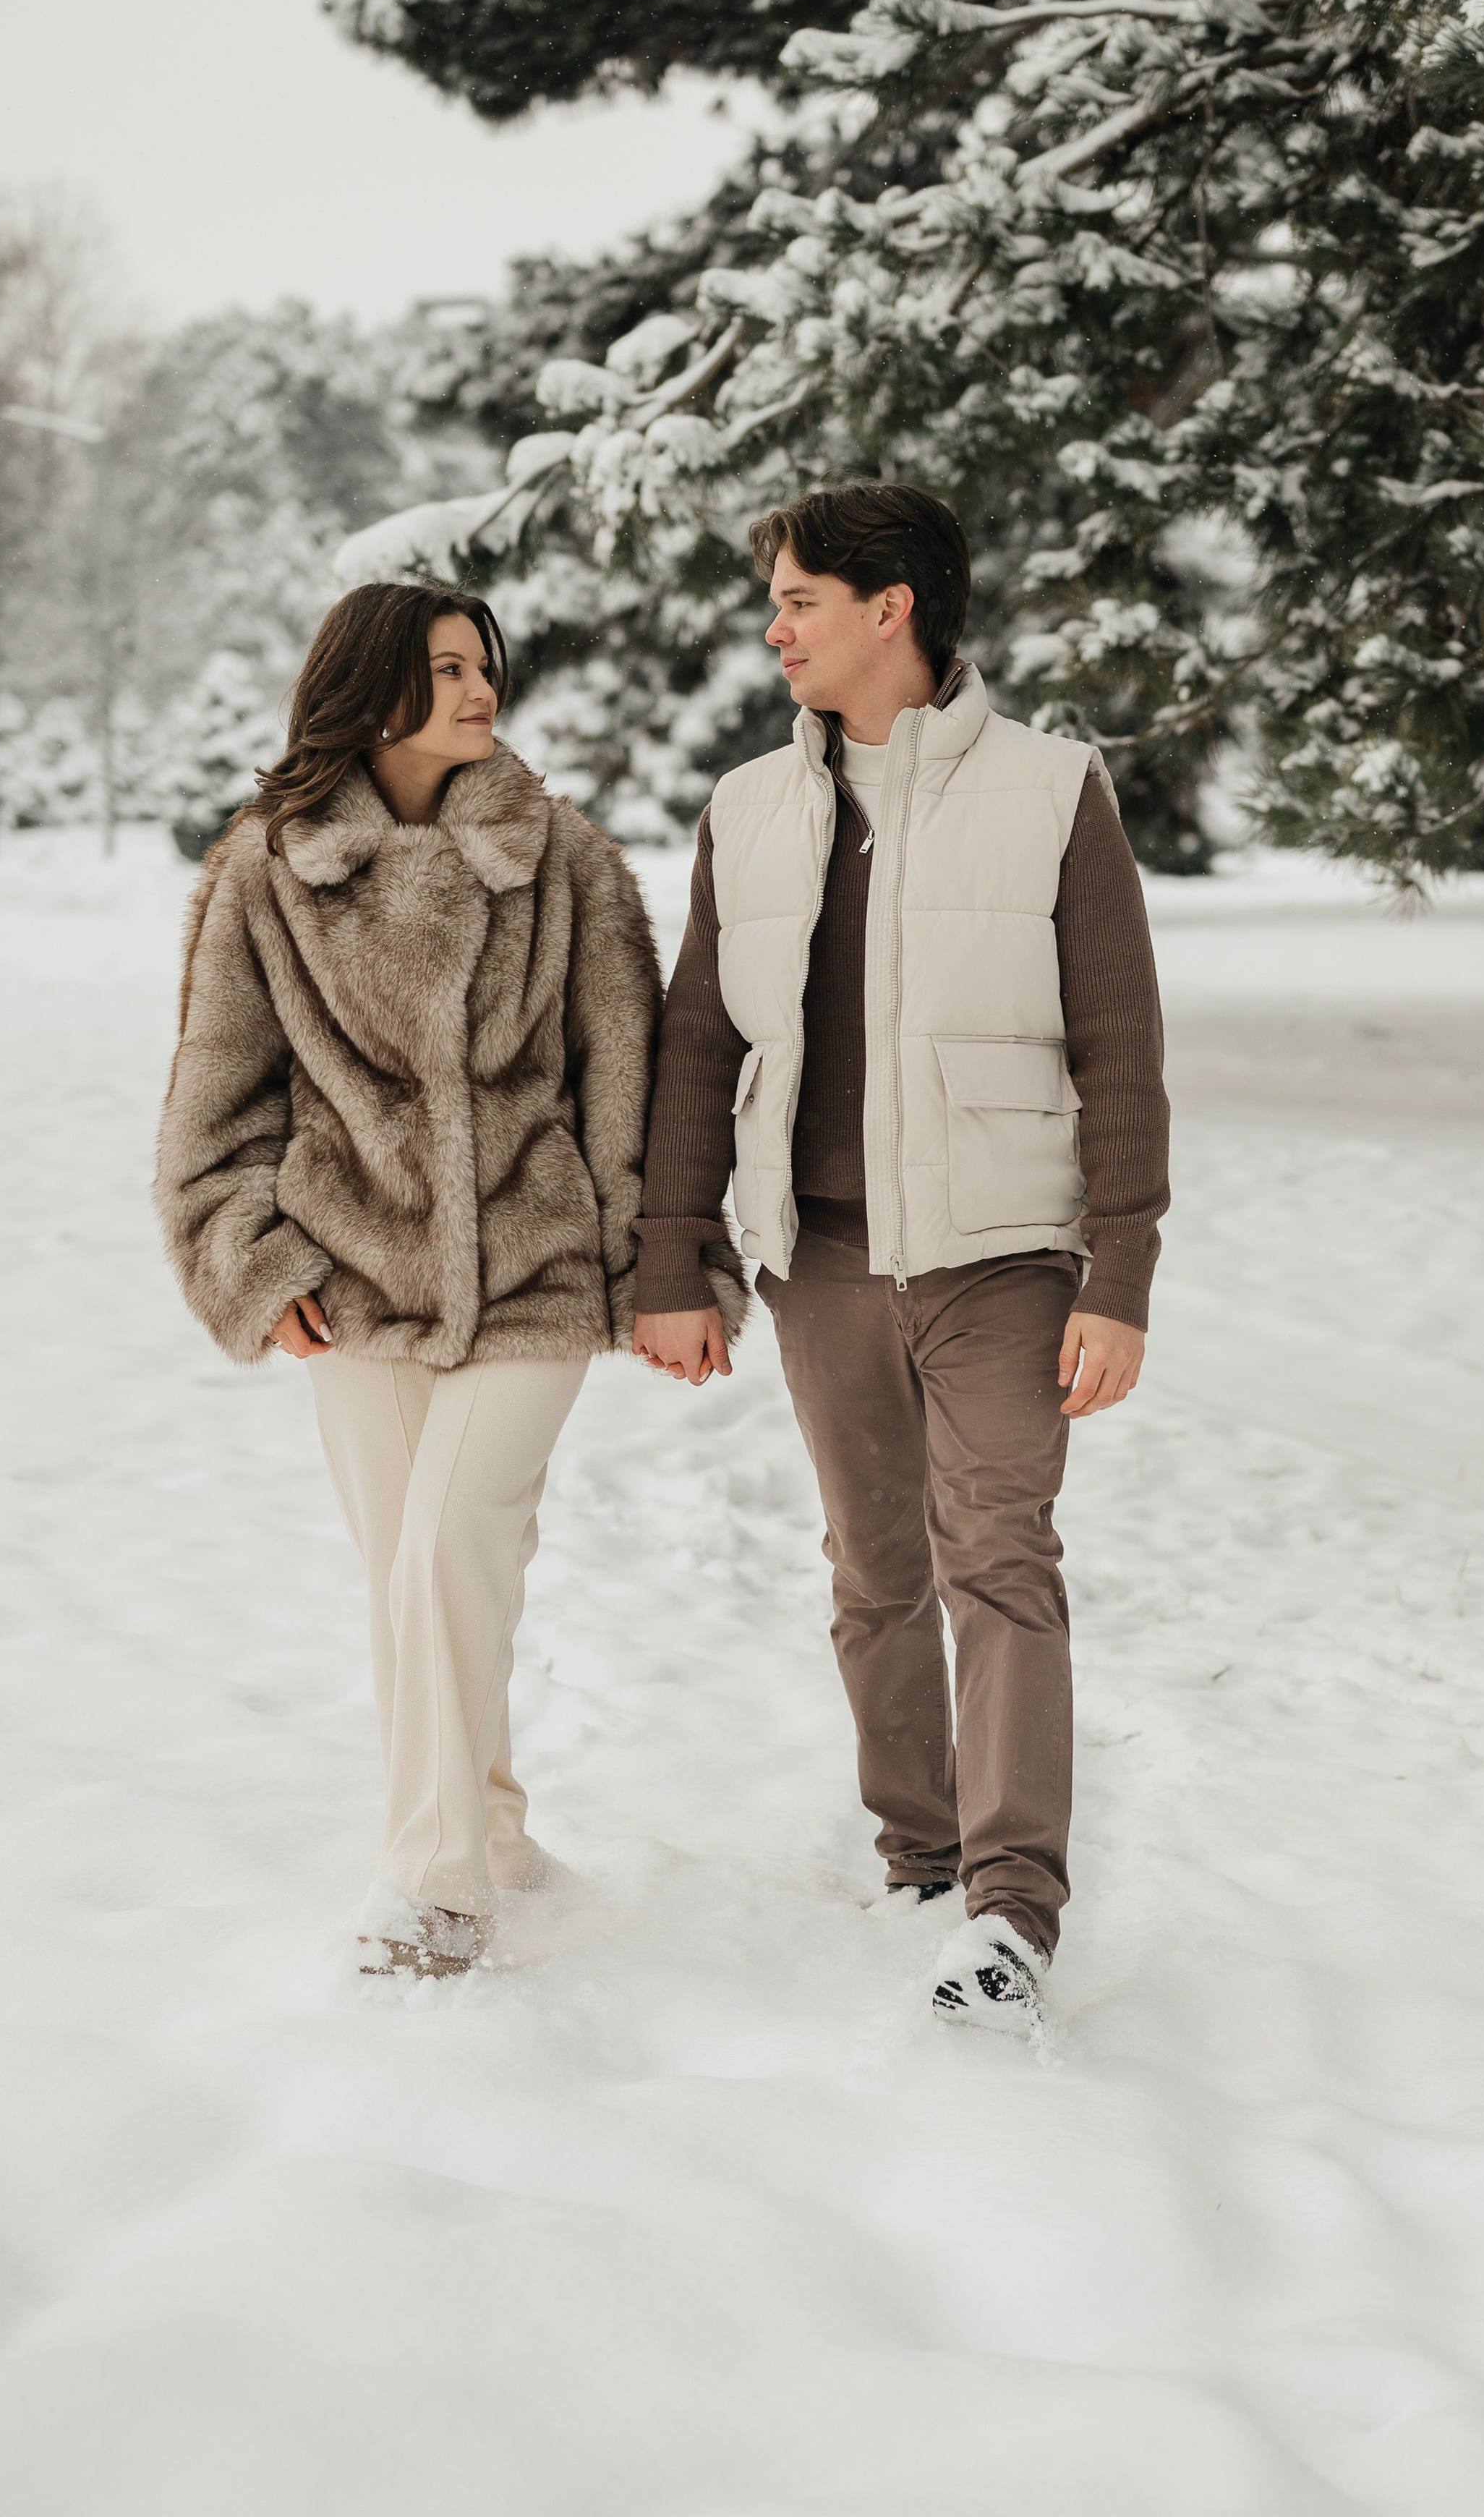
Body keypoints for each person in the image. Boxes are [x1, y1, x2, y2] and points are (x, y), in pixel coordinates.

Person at [633, 484, 1169, 2039]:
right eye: (775, 599)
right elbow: (696, 1041)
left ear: (894, 609)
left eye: (799, 598)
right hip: (819, 1262)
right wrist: (679, 1256)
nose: (772, 626)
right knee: (874, 1574)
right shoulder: (746, 806)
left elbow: (1117, 1047)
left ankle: (1009, 1908)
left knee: (997, 1560)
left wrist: (1118, 1272)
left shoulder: (1054, 790)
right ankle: (919, 1851)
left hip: (1002, 1258)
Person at [155, 582, 741, 1979]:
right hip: (348, 1273)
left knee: (448, 1547)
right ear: (369, 688)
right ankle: (491, 1823)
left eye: (485, 665)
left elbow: (637, 1084)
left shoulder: (569, 864)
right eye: (446, 668)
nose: (482, 689)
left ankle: (435, 1891)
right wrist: (247, 1259)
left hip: (535, 1266)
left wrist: (669, 1264)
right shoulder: (267, 868)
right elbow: (215, 1094)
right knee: (405, 1575)